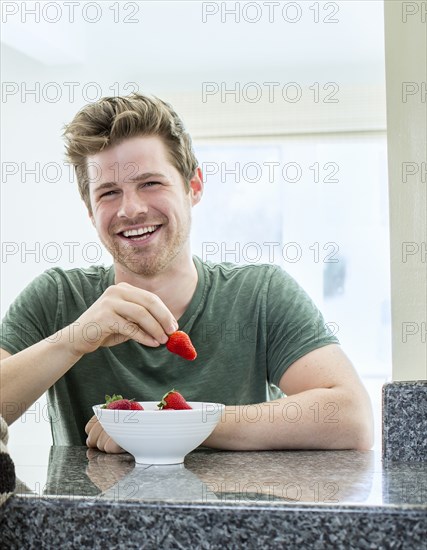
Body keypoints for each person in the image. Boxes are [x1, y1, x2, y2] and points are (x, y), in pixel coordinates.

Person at [0, 93, 374, 453]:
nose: (131, 209)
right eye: (108, 192)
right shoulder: (57, 297)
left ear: (193, 186)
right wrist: (75, 339)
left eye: (150, 183)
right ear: (89, 210)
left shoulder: (261, 293)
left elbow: (352, 419)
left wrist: (173, 424)